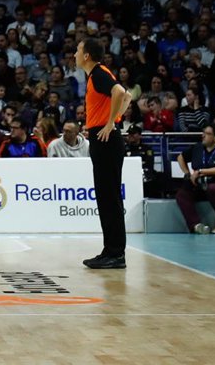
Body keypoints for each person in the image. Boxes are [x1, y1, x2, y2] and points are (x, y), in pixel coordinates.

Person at [76, 37, 134, 268]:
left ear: (87, 55)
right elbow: (127, 96)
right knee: (106, 197)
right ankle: (110, 250)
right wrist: (113, 119)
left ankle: (116, 253)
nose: (75, 54)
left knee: (109, 197)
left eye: (78, 50)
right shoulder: (98, 74)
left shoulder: (98, 73)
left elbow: (119, 92)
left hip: (106, 139)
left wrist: (110, 123)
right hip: (103, 137)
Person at [175, 123, 215, 235]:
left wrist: (200, 171)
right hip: (201, 185)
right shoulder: (198, 147)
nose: (203, 135)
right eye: (203, 133)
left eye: (207, 133)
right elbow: (180, 157)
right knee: (182, 194)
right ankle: (196, 225)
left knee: (213, 188)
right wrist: (187, 173)